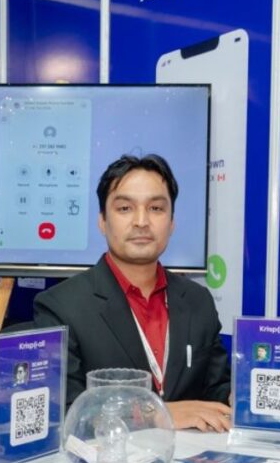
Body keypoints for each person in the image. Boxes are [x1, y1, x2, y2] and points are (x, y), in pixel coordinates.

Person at [33, 154, 232, 432]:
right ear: (102, 221)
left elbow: (215, 391)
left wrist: (240, 396)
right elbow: (65, 412)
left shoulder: (198, 301)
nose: (141, 221)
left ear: (172, 223)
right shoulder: (61, 306)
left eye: (156, 208)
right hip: (111, 457)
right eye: (125, 208)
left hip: (193, 455)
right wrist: (157, 414)